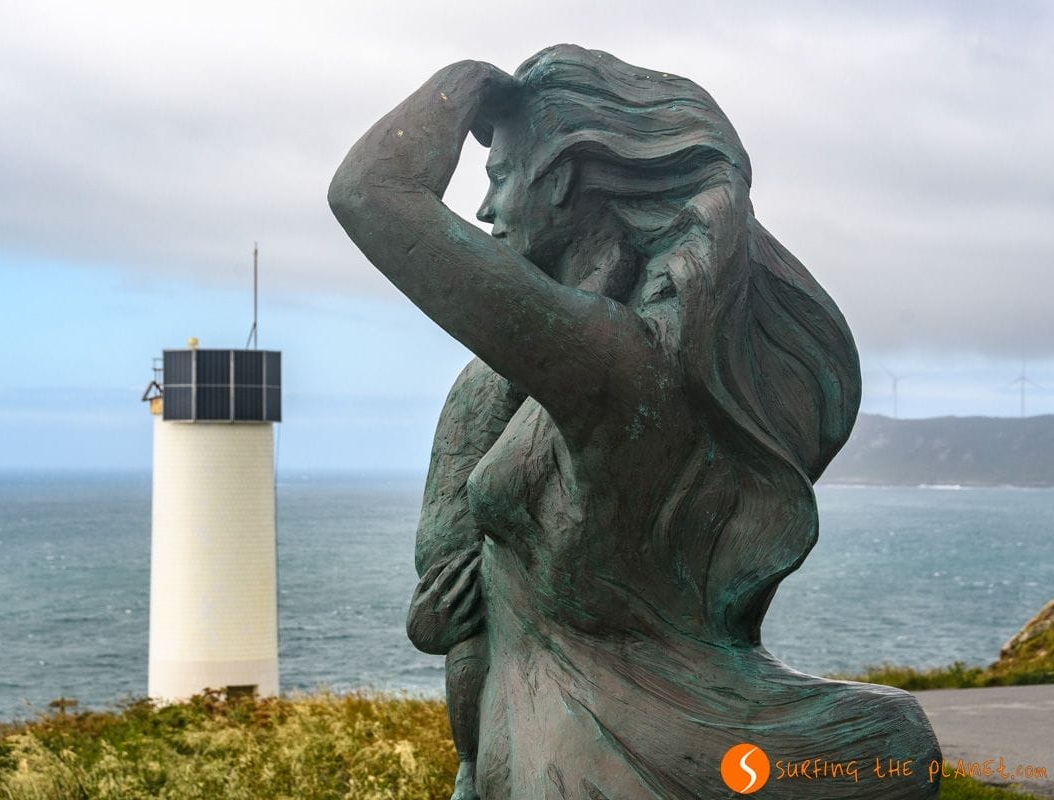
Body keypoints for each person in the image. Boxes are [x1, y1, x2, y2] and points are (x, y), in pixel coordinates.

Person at [330, 44, 940, 800]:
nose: (483, 209)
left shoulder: (618, 365)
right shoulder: (592, 368)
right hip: (531, 753)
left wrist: (469, 80)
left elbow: (370, 191)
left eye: (499, 177)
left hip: (596, 764)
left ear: (560, 182)